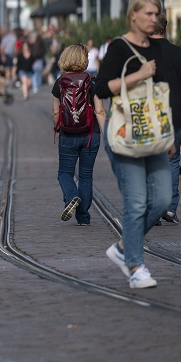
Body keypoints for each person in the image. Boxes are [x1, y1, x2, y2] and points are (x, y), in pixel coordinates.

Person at [95, 0, 181, 290]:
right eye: (148, 13)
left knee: (163, 199)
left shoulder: (163, 50)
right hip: (125, 135)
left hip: (156, 133)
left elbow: (162, 93)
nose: (154, 18)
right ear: (133, 15)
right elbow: (101, 88)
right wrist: (138, 75)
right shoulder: (118, 48)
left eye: (157, 14)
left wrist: (171, 134)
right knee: (136, 202)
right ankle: (136, 267)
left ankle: (124, 247)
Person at [50, 44, 104, 226]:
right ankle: (83, 217)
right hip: (90, 134)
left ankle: (71, 196)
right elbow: (100, 111)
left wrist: (57, 128)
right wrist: (106, 133)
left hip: (68, 134)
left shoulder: (59, 83)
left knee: (64, 173)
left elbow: (56, 112)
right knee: (86, 175)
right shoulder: (92, 82)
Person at [151, 13, 181, 225]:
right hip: (175, 113)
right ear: (165, 29)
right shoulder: (180, 53)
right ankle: (169, 208)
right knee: (172, 159)